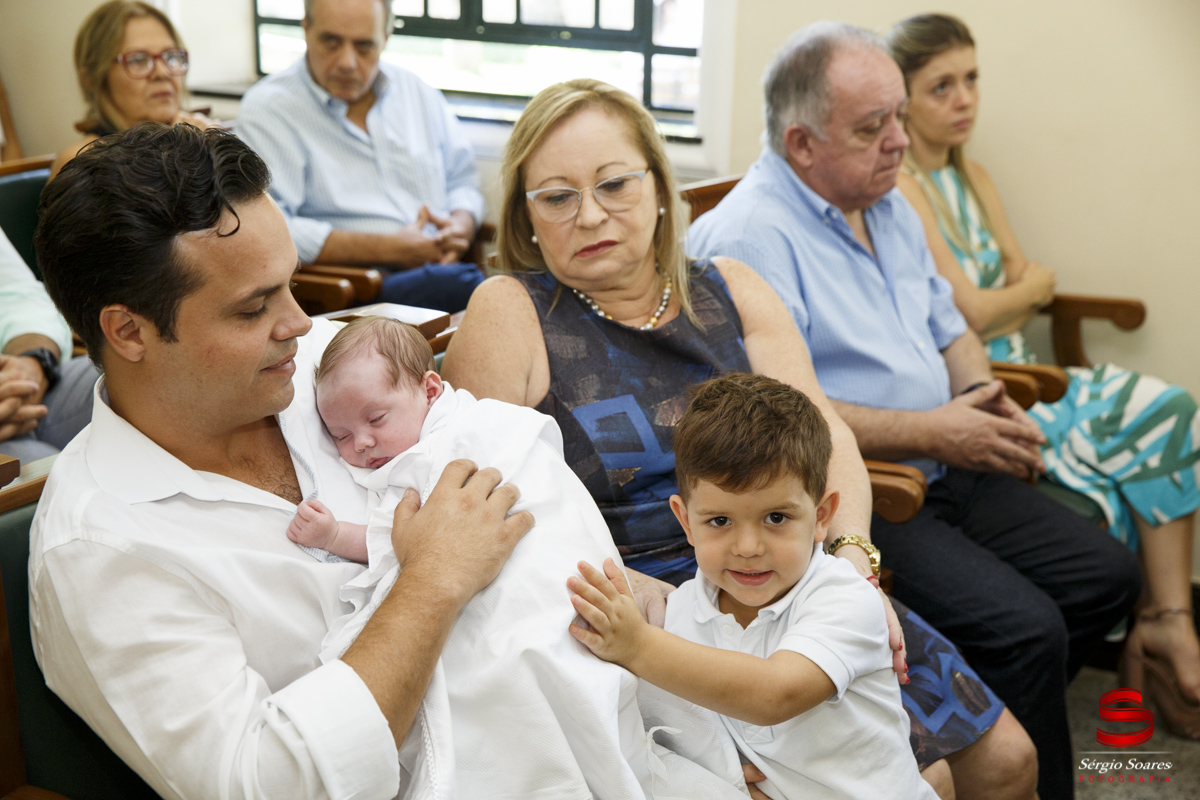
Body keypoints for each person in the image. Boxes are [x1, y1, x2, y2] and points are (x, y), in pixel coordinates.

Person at [441, 76, 1036, 800]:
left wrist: (851, 561)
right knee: (924, 780)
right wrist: (624, 601)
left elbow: (824, 430)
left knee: (1007, 762)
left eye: (614, 185)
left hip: (793, 569)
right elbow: (482, 501)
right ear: (526, 217)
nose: (589, 214)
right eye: (557, 197)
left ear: (661, 189)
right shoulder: (512, 310)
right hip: (651, 606)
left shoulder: (729, 286)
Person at [687, 22, 1143, 799]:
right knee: (1026, 629)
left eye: (899, 117)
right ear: (802, 144)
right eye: (873, 128)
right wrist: (939, 430)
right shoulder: (749, 237)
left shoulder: (886, 197)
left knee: (1109, 577)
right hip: (873, 486)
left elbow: (951, 325)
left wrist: (977, 395)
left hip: (952, 455)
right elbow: (788, 418)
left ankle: (991, 704)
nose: (900, 141)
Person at [30, 122, 532, 799]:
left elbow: (496, 457)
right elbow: (266, 784)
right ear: (129, 331)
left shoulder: (327, 367)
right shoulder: (101, 551)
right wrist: (433, 580)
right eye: (252, 308)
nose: (301, 322)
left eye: (289, 285)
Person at [887, 12, 1200, 740]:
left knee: (1174, 410)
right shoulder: (906, 190)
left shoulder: (974, 176)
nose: (963, 99)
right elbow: (983, 303)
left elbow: (1021, 289)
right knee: (1155, 415)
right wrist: (1017, 295)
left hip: (1027, 361)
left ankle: (1162, 618)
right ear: (902, 100)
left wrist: (1013, 296)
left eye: (971, 80)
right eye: (942, 86)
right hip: (1000, 378)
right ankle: (1167, 627)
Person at [287, 314, 748, 799]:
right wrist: (335, 531)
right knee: (513, 678)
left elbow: (545, 493)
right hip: (474, 593)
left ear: (429, 389)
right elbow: (405, 538)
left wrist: (338, 534)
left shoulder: (476, 431)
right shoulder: (400, 463)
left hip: (546, 577)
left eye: (376, 419)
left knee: (561, 656)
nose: (361, 443)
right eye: (339, 435)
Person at [570, 373, 941, 800]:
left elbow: (774, 694)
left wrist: (636, 647)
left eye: (776, 518)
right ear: (685, 520)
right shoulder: (677, 613)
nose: (748, 548)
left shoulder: (843, 597)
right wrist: (719, 777)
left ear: (822, 516)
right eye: (720, 521)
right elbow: (666, 732)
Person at [236, 0, 486, 313]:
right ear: (306, 29)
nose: (347, 63)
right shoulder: (269, 109)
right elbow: (265, 230)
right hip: (358, 288)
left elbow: (462, 178)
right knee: (486, 292)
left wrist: (460, 225)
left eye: (364, 46)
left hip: (444, 269)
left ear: (386, 38)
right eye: (331, 41)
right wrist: (390, 249)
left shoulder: (416, 92)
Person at [50, 0, 221, 180]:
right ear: (92, 79)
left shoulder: (199, 133)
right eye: (138, 60)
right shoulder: (80, 161)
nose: (162, 73)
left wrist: (218, 150)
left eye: (171, 56)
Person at [0, 227, 98, 461]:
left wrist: (33, 364)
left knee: (149, 377)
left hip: (25, 391)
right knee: (57, 471)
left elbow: (17, 296)